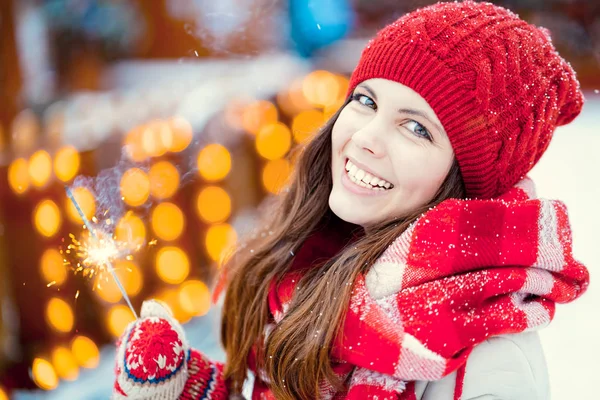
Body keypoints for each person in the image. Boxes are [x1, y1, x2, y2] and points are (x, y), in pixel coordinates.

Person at [111, 1, 590, 399]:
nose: (366, 138)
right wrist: (188, 388)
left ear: (468, 180)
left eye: (416, 128)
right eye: (366, 101)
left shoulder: (487, 366)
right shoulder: (315, 264)